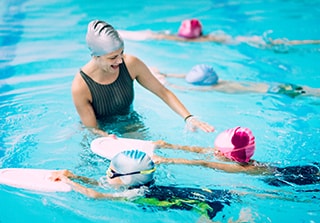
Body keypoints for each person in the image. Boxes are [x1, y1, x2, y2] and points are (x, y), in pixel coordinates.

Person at [51, 149, 256, 223]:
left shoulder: (133, 194)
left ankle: (239, 222)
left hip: (204, 204)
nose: (106, 174)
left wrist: (68, 183)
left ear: (128, 178)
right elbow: (100, 184)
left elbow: (96, 196)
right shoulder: (138, 185)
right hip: (207, 192)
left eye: (111, 172)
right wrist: (74, 176)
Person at [71, 20, 214, 136]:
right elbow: (93, 129)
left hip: (130, 122)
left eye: (122, 53)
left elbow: (163, 92)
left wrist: (189, 118)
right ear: (96, 56)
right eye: (113, 57)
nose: (120, 60)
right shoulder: (81, 86)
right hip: (101, 133)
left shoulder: (131, 64)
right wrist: (109, 139)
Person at [152, 126, 320, 186]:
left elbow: (205, 164)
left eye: (219, 151)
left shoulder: (238, 167)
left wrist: (168, 160)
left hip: (286, 178)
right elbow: (202, 151)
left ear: (231, 156)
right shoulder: (232, 156)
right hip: (280, 170)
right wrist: (170, 146)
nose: (214, 151)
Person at [117, 19, 320, 47]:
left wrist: (119, 32)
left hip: (235, 42)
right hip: (236, 42)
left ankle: (309, 43)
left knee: (271, 45)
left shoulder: (172, 37)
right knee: (271, 44)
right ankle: (307, 42)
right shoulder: (215, 38)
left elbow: (149, 35)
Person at [151, 64, 320, 98]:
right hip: (276, 87)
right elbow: (188, 76)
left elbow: (192, 89)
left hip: (277, 91)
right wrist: (166, 73)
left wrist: (169, 84)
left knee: (309, 96)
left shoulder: (213, 89)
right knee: (310, 92)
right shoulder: (219, 81)